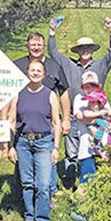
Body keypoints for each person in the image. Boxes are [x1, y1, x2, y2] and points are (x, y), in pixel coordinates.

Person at [47, 16, 111, 188]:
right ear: (77, 51)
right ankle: (70, 183)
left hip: (96, 116)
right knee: (72, 150)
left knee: (97, 148)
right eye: (81, 48)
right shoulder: (68, 64)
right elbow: (53, 53)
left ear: (92, 50)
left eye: (88, 48)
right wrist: (51, 32)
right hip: (74, 115)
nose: (85, 51)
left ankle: (97, 183)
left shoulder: (100, 65)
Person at [12, 32, 71, 200]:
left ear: (44, 47)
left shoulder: (54, 66)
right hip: (23, 122)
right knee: (22, 158)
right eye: (33, 44)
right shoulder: (17, 65)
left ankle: (49, 194)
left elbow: (64, 92)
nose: (36, 47)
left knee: (49, 159)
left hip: (48, 122)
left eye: (39, 44)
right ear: (27, 46)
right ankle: (23, 195)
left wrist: (66, 118)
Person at [7, 60, 62, 221]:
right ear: (27, 72)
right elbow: (11, 121)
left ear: (44, 74)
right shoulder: (18, 94)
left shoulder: (50, 95)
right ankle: (29, 216)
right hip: (22, 142)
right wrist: (10, 146)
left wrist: (56, 147)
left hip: (44, 142)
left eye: (39, 71)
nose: (35, 73)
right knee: (27, 182)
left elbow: (56, 123)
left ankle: (43, 219)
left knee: (44, 184)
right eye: (32, 70)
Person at [74, 84, 111, 190]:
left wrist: (109, 115)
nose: (90, 103)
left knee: (109, 168)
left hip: (106, 139)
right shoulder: (81, 102)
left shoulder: (105, 107)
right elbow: (83, 117)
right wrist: (101, 115)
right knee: (88, 177)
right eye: (86, 86)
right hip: (89, 144)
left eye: (93, 86)